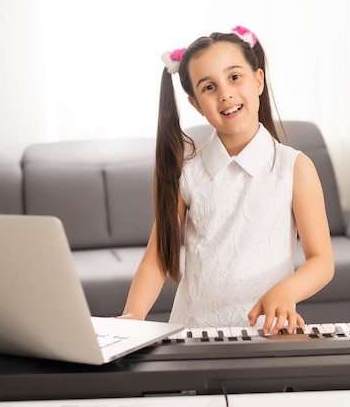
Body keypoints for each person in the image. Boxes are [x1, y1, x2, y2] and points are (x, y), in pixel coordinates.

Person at [120, 26, 334, 334]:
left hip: (266, 334)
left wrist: (286, 291)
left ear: (258, 80)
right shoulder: (187, 173)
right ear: (196, 104)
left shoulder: (294, 167)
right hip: (193, 333)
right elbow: (157, 256)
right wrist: (133, 316)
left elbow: (322, 261)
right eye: (209, 87)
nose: (225, 94)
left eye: (235, 77)